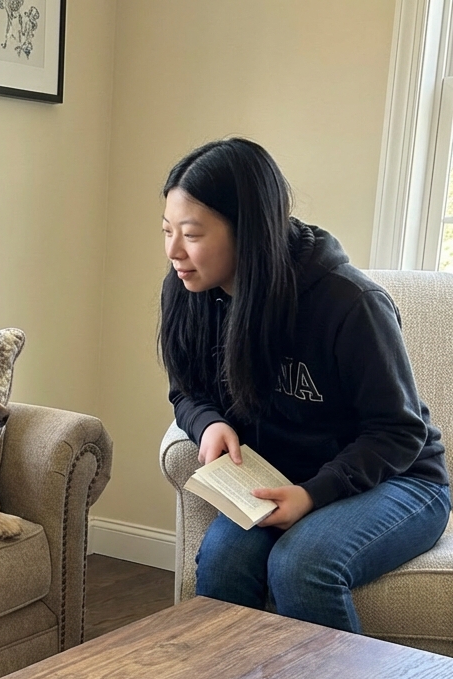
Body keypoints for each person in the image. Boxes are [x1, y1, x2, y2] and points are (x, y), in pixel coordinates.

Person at [159, 137, 450, 632]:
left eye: (192, 233)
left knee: (302, 565)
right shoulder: (191, 290)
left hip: (399, 481)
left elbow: (399, 433)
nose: (174, 251)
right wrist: (207, 424)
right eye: (167, 230)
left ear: (247, 232)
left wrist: (313, 494)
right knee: (225, 563)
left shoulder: (349, 303)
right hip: (276, 479)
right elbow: (186, 389)